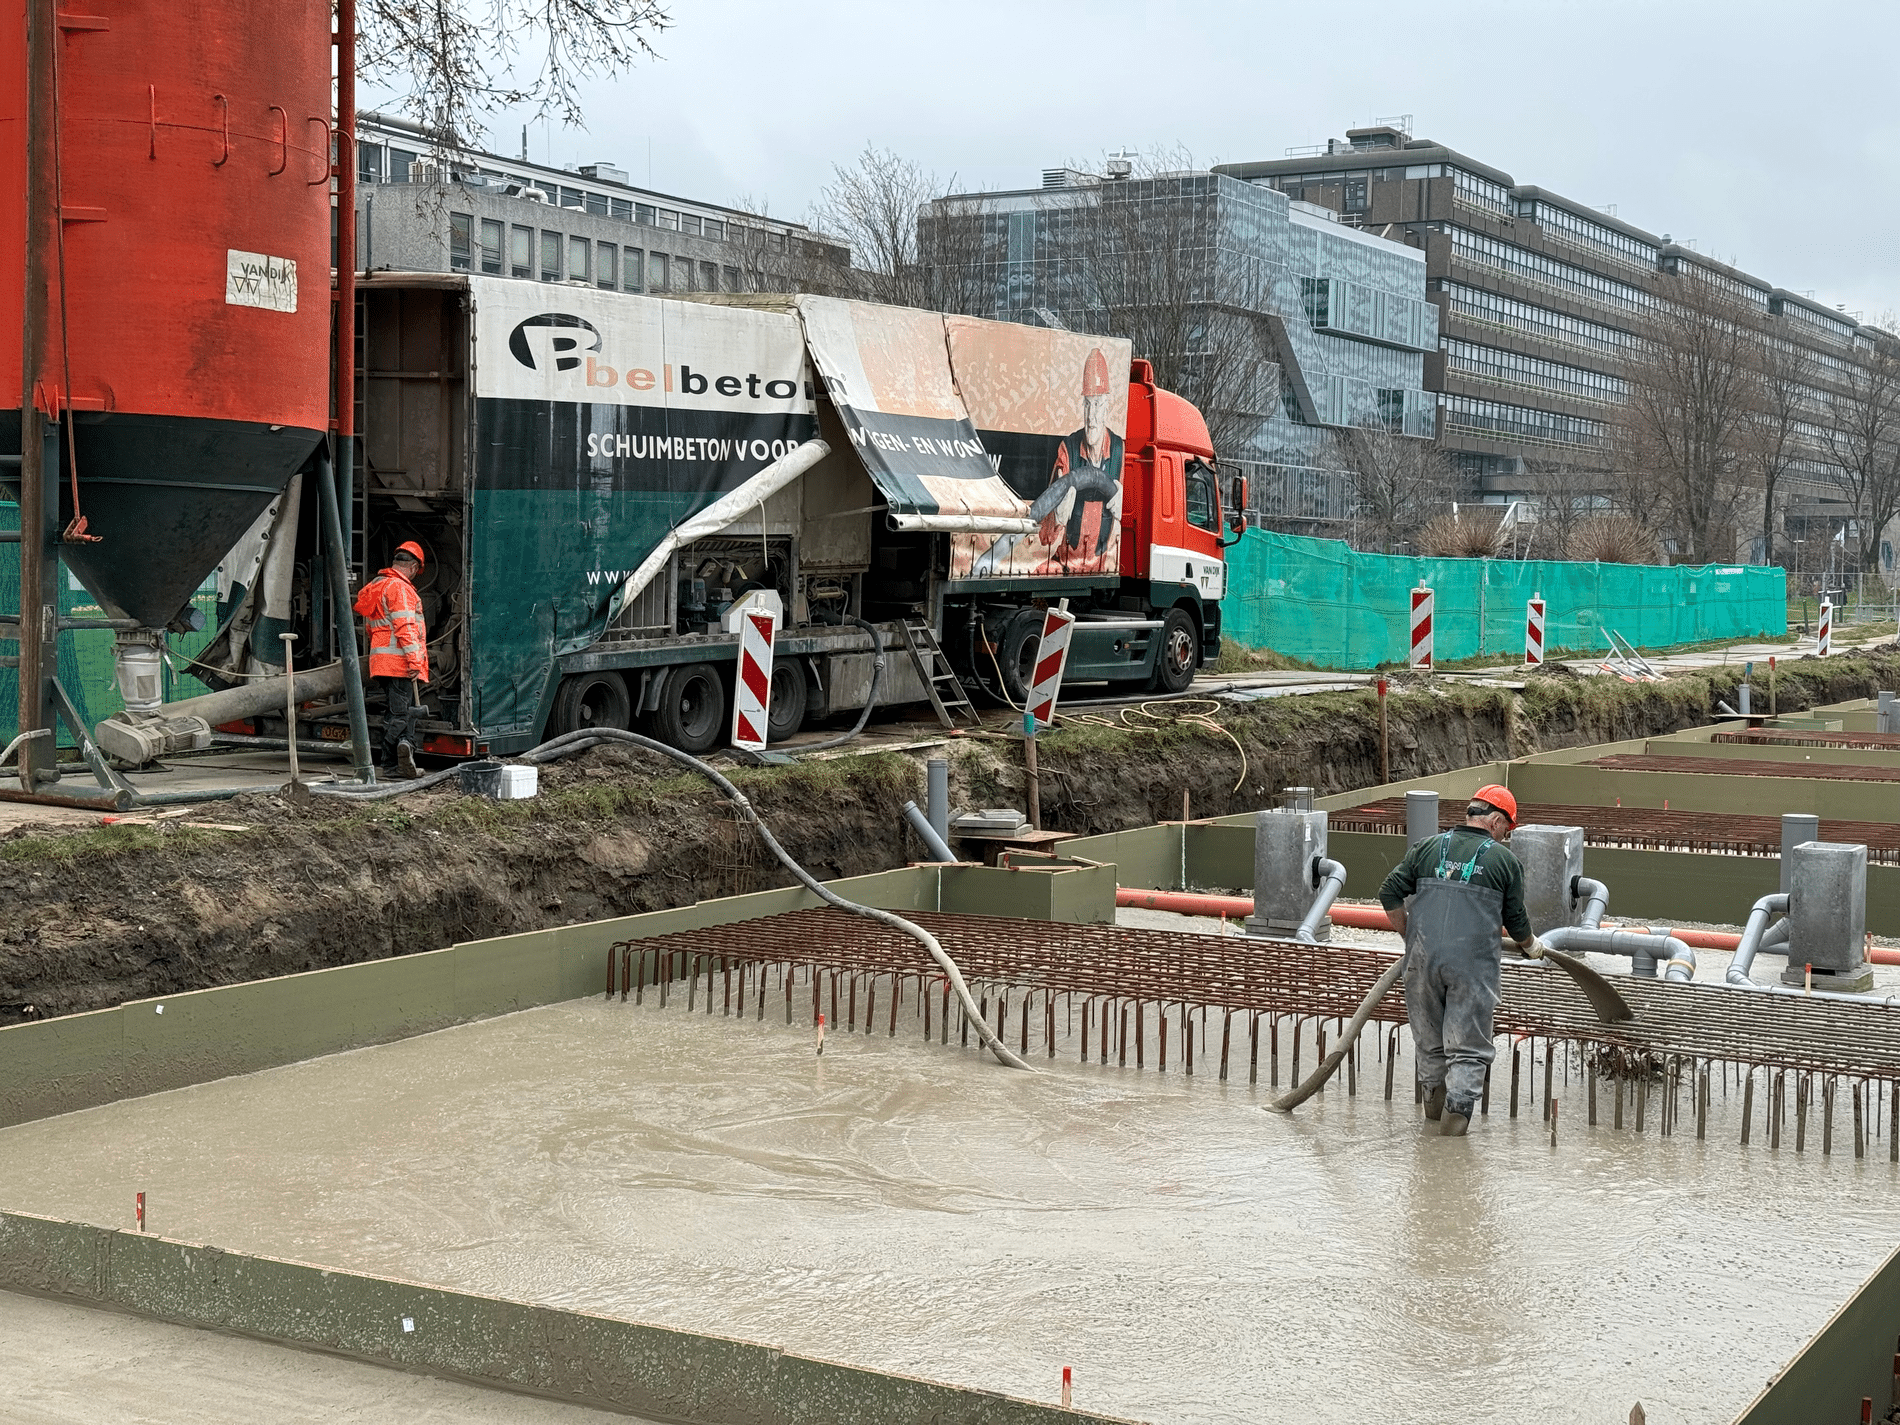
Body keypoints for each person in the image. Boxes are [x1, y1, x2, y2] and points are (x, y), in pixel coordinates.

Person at [1377, 784, 1548, 1136]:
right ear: (1496, 821)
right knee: (1467, 1049)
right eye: (1507, 829)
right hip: (1472, 968)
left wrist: (1411, 938)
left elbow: (1388, 892)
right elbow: (1516, 921)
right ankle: (1452, 1140)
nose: (1505, 837)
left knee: (1429, 1043)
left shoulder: (1427, 847)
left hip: (1421, 962)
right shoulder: (1504, 861)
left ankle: (1432, 1130)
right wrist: (1532, 946)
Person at [353, 540, 430, 779]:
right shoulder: (400, 588)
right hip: (400, 663)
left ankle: (404, 753)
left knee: (399, 712)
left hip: (382, 661)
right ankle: (390, 763)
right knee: (400, 715)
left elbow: (370, 628)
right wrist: (415, 662)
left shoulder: (377, 586)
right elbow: (405, 627)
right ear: (414, 567)